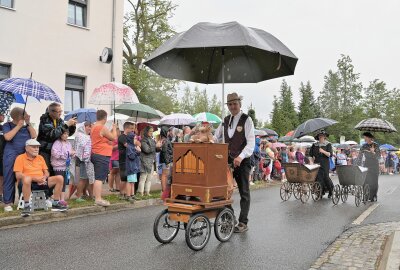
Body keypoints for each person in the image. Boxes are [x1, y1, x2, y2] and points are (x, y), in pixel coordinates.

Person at [214, 92, 255, 233]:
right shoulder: (224, 120)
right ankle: (230, 218)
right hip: (228, 161)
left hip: (243, 161)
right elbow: (216, 137)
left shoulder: (247, 120)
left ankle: (243, 222)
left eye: (235, 104)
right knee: (223, 191)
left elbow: (251, 143)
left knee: (244, 192)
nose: (232, 107)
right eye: (230, 104)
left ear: (240, 104)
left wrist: (241, 156)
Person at [14, 139, 67, 216]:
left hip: (41, 181)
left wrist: (44, 178)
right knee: (27, 178)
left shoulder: (40, 157)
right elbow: (18, 175)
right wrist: (35, 178)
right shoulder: (20, 158)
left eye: (38, 147)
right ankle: (26, 206)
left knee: (59, 178)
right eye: (34, 147)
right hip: (27, 183)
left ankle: (55, 203)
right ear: (26, 148)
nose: (36, 149)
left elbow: (46, 172)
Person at [2, 108, 36, 212]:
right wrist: (18, 126)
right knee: (9, 177)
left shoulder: (27, 126)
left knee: (24, 178)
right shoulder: (7, 125)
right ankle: (8, 203)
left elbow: (34, 136)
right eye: (25, 114)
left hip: (24, 155)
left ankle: (24, 201)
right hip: (11, 154)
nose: (28, 115)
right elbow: (8, 137)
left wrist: (28, 123)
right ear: (19, 117)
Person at [37, 103, 76, 176]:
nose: (61, 113)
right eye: (59, 112)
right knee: (47, 173)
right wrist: (66, 124)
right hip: (45, 151)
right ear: (51, 112)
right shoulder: (45, 120)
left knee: (55, 175)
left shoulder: (60, 120)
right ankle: (46, 187)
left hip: (56, 150)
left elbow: (65, 134)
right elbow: (52, 134)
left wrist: (72, 126)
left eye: (61, 111)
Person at [90, 110, 117, 206]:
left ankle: (97, 197)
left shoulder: (94, 127)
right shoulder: (101, 127)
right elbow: (114, 138)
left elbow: (106, 139)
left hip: (96, 153)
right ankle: (98, 199)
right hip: (101, 154)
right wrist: (114, 128)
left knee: (99, 177)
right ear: (105, 118)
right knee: (99, 178)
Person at [51, 128, 75, 205]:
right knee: (59, 182)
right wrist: (67, 154)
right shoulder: (56, 143)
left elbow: (71, 152)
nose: (66, 135)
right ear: (60, 134)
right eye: (64, 134)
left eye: (67, 134)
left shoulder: (68, 143)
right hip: (58, 166)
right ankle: (57, 199)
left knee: (64, 182)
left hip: (66, 166)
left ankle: (62, 199)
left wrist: (72, 154)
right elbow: (55, 154)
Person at [73, 122, 94, 201]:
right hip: (83, 159)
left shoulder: (85, 135)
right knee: (83, 178)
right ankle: (78, 195)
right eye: (89, 127)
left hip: (86, 160)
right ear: (85, 126)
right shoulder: (81, 136)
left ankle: (90, 195)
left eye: (91, 127)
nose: (90, 129)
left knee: (88, 178)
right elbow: (80, 148)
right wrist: (85, 157)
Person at [310, 130, 333, 198]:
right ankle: (320, 193)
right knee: (318, 179)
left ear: (325, 137)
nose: (321, 137)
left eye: (322, 136)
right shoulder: (314, 145)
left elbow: (330, 154)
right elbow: (310, 155)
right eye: (320, 136)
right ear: (318, 137)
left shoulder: (328, 144)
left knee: (326, 177)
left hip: (325, 164)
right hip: (316, 164)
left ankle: (330, 191)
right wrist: (311, 161)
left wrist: (323, 151)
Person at [357, 132, 380, 201]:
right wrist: (357, 165)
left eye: (365, 137)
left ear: (369, 138)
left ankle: (373, 196)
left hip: (375, 165)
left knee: (374, 181)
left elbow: (378, 156)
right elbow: (360, 156)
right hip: (367, 164)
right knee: (365, 181)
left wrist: (373, 152)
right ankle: (366, 195)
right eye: (364, 137)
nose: (364, 138)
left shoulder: (376, 145)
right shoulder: (364, 146)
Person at [118, 122, 136, 199]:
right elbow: (127, 146)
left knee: (129, 178)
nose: (133, 130)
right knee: (124, 178)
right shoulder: (122, 137)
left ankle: (127, 193)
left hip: (130, 160)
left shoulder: (130, 137)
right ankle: (121, 193)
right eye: (131, 128)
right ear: (126, 128)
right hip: (123, 159)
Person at [138, 126, 156, 196]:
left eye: (152, 131)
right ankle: (140, 192)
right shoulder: (143, 140)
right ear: (146, 132)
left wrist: (159, 147)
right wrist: (155, 146)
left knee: (149, 178)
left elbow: (154, 150)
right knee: (143, 178)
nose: (151, 133)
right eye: (150, 131)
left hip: (151, 161)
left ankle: (147, 191)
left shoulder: (151, 139)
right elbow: (147, 150)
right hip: (145, 161)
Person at [158, 126, 173, 200]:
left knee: (164, 176)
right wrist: (167, 162)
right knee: (165, 176)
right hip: (166, 161)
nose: (169, 132)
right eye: (168, 131)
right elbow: (165, 152)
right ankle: (164, 192)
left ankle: (164, 192)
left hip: (165, 160)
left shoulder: (163, 140)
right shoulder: (166, 140)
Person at [126, 132, 141, 201]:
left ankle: (132, 194)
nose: (136, 140)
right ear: (130, 139)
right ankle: (128, 195)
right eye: (134, 139)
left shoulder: (133, 146)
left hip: (134, 167)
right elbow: (131, 156)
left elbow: (136, 156)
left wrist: (138, 151)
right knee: (130, 182)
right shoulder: (129, 147)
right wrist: (137, 151)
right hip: (130, 167)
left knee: (133, 181)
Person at [0, 113, 5, 202]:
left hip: (2, 155)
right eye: (2, 114)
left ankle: (0, 195)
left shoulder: (3, 127)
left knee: (1, 176)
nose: (3, 116)